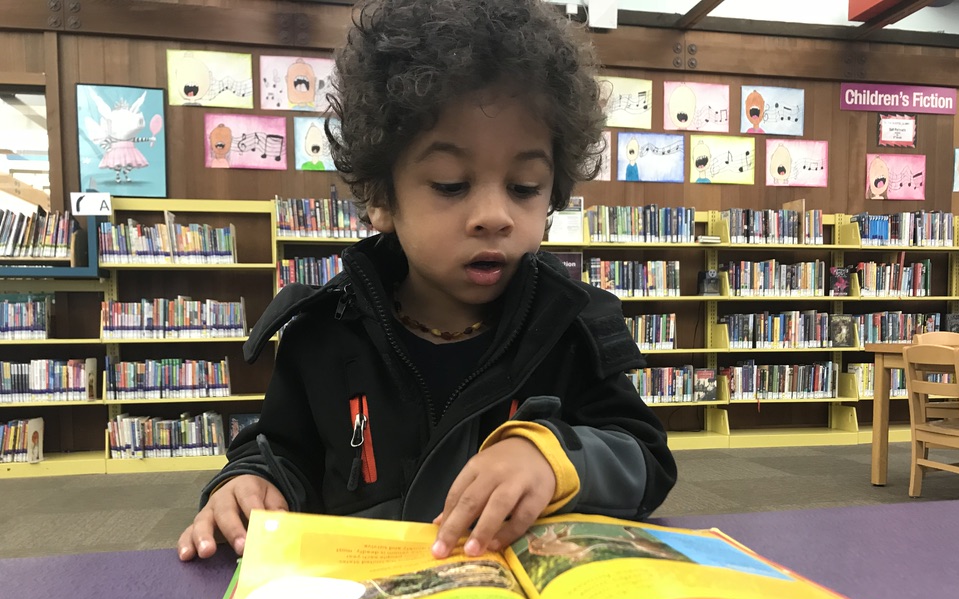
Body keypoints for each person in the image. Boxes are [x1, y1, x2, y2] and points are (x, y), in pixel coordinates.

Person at [178, 0, 677, 563]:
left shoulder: (574, 327)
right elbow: (281, 453)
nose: (495, 215)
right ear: (380, 198)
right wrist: (247, 483)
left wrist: (555, 458)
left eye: (525, 186)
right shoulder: (321, 337)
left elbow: (646, 461)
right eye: (449, 184)